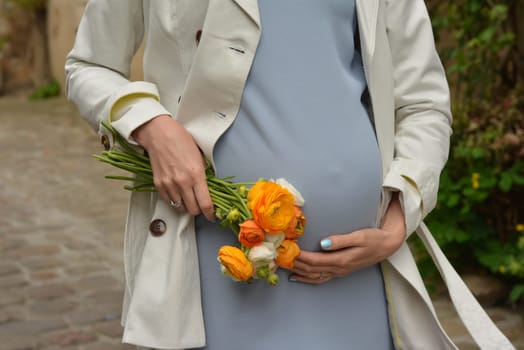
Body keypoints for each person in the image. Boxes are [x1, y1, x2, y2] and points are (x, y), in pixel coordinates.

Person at [65, 0, 514, 349]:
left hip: (356, 272)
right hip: (218, 258)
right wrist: (151, 126)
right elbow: (88, 67)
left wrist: (400, 214)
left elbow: (423, 103)